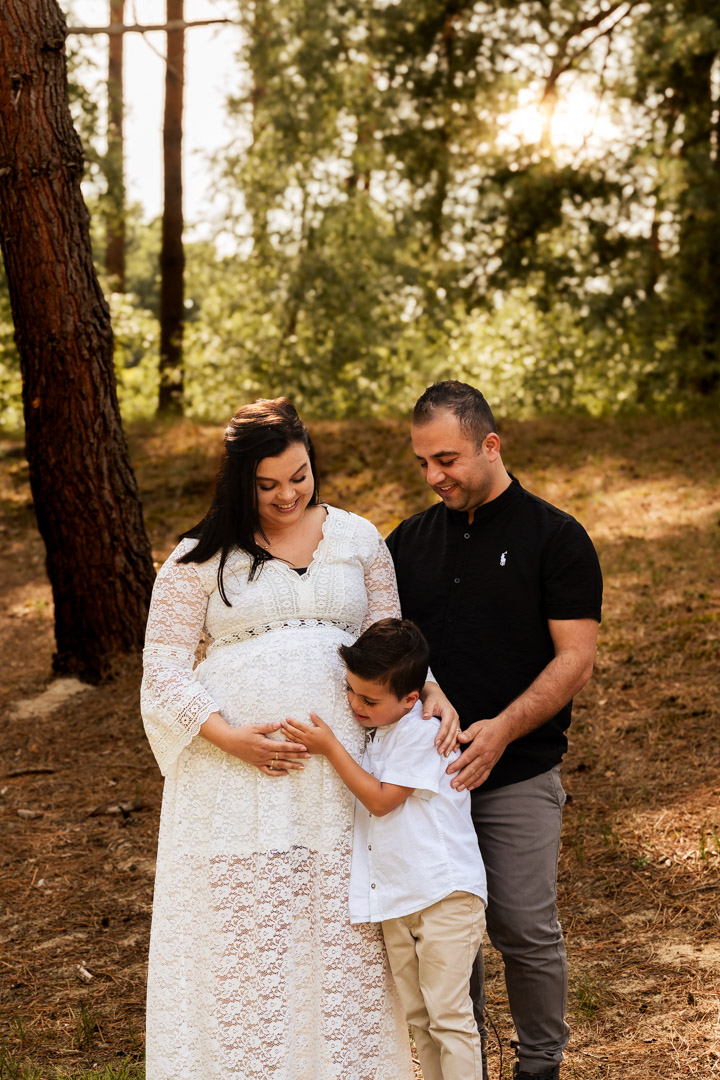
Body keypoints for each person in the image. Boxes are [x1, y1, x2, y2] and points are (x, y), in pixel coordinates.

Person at [140, 397, 458, 1080]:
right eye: (268, 484)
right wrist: (229, 737)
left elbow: (392, 643)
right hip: (234, 779)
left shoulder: (358, 539)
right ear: (239, 482)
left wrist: (428, 689)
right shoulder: (199, 558)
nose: (288, 494)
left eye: (300, 476)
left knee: (340, 935)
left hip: (340, 775)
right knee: (244, 939)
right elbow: (161, 667)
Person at [385, 381, 603, 1080]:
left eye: (446, 459)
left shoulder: (557, 538)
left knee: (522, 929)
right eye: (422, 462)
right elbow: (387, 653)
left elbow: (576, 658)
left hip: (518, 770)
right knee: (447, 939)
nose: (433, 476)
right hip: (429, 779)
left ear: (490, 444)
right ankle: (464, 1065)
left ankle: (540, 1068)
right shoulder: (407, 544)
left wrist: (503, 730)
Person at [282, 617, 488, 1080]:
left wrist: (330, 746)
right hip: (397, 896)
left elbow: (380, 801)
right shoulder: (382, 730)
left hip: (444, 894)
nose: (355, 705)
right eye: (350, 692)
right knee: (419, 1019)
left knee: (450, 1017)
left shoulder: (420, 732)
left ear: (411, 698)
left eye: (369, 699)